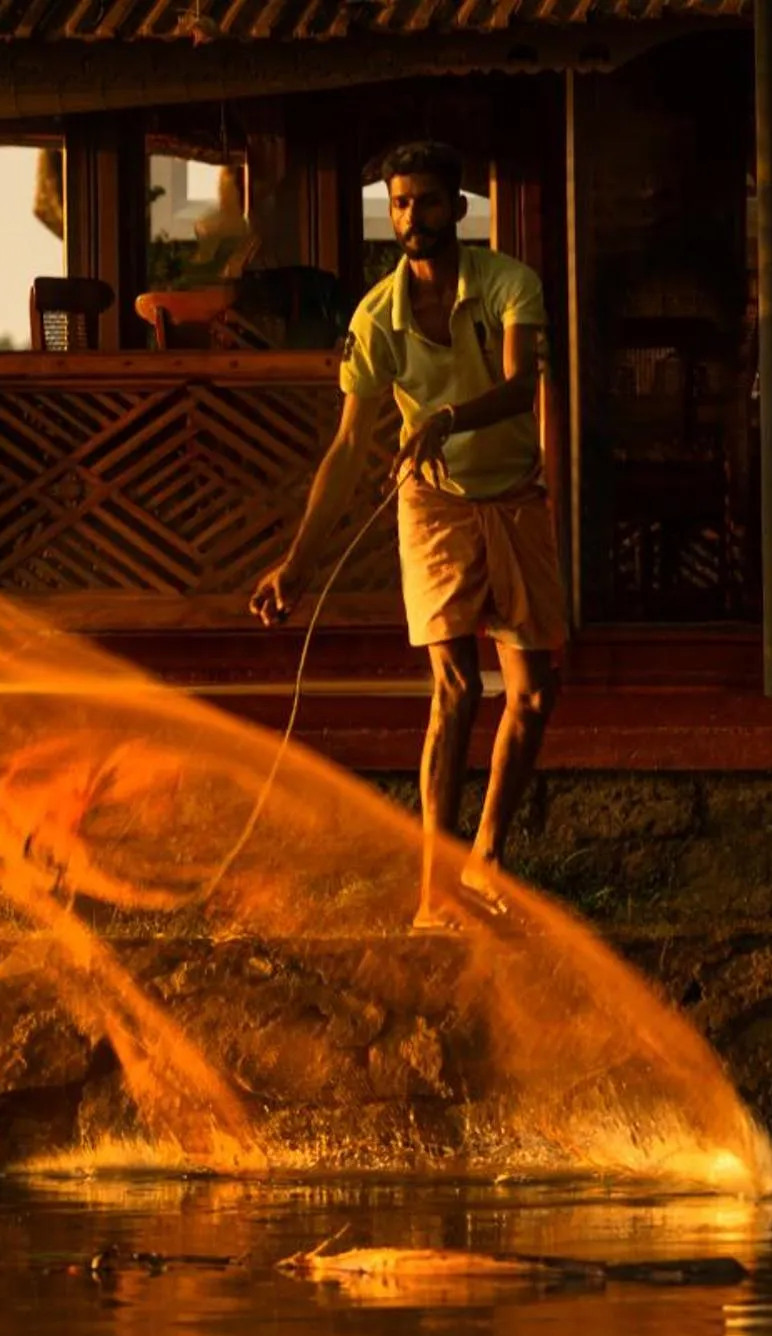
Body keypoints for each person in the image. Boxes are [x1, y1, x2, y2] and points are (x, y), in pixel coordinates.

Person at [249, 140, 565, 933]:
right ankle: (434, 888)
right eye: (397, 203)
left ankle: (487, 858)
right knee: (454, 686)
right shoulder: (375, 316)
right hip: (432, 502)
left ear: (457, 209)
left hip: (516, 490)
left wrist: (445, 418)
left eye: (425, 201)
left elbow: (523, 383)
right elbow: (351, 445)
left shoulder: (509, 283)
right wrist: (298, 564)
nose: (410, 217)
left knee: (531, 694)